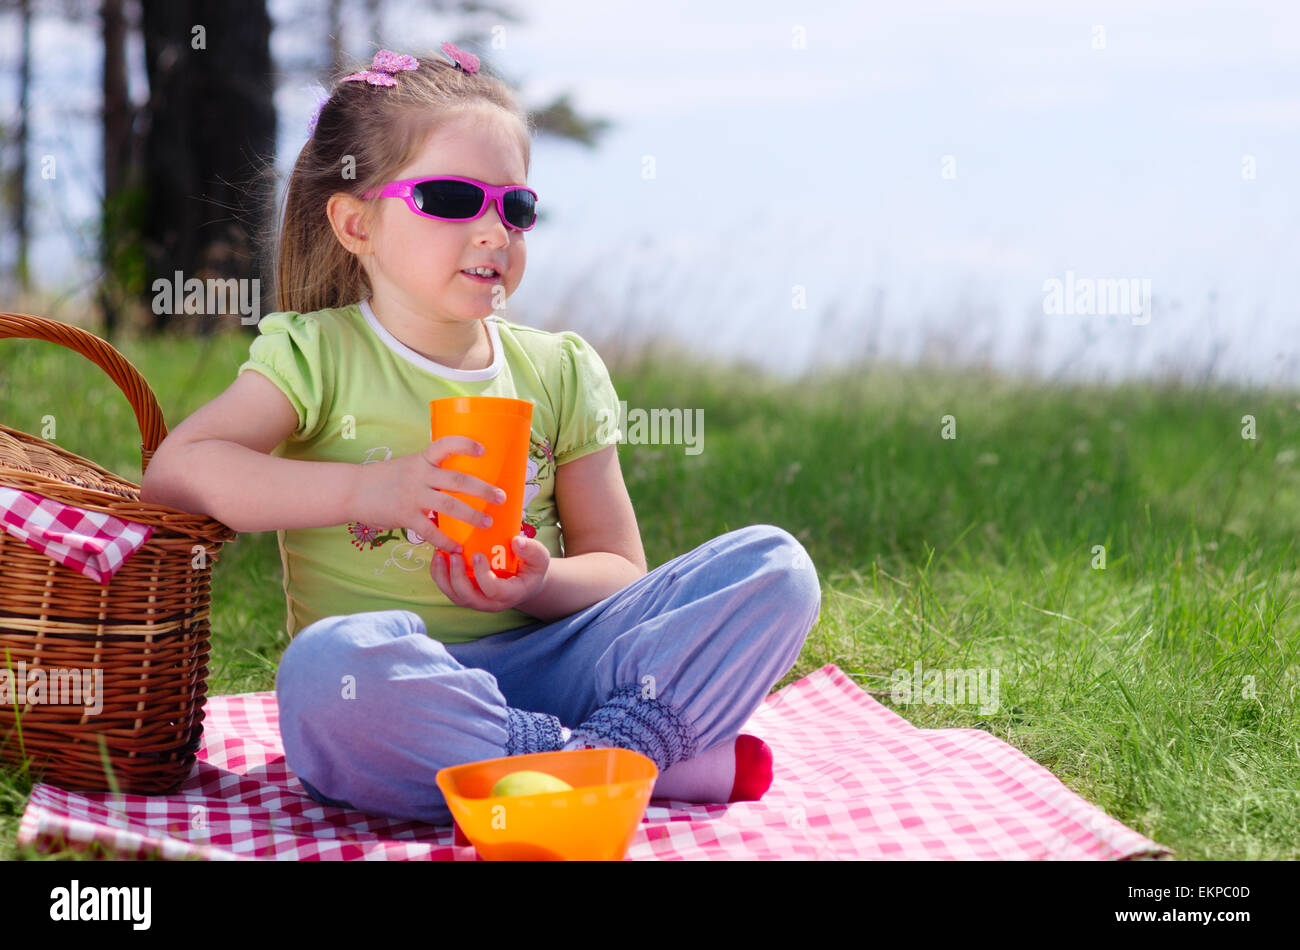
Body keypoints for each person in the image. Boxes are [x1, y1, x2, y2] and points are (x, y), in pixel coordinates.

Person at [140, 45, 821, 827]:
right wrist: (371, 487)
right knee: (325, 672)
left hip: (558, 664)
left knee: (776, 567)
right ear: (356, 222)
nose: (495, 231)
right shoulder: (318, 355)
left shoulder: (559, 369)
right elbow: (178, 470)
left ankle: (580, 756)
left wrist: (540, 585)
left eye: (515, 208)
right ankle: (621, 762)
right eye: (454, 198)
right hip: (404, 691)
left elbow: (620, 573)